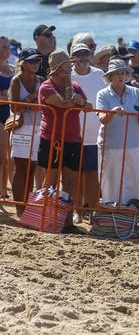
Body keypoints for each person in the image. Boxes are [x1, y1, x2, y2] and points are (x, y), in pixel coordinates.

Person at [37, 51, 90, 233]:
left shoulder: (74, 85)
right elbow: (63, 104)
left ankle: (67, 223)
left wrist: (80, 102)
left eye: (69, 65)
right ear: (57, 70)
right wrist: (78, 102)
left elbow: (87, 106)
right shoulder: (46, 86)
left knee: (70, 183)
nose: (70, 68)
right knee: (50, 182)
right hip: (51, 138)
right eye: (66, 66)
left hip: (72, 138)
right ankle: (48, 219)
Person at [96, 59, 139, 206]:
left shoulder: (136, 92)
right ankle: (110, 212)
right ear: (110, 76)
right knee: (109, 180)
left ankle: (130, 215)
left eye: (124, 73)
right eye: (117, 73)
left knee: (132, 180)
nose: (121, 76)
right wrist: (112, 112)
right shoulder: (103, 94)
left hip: (133, 143)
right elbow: (103, 120)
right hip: (110, 144)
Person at [70, 42, 105, 223]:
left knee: (92, 175)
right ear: (72, 57)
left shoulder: (100, 75)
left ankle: (92, 211)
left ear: (91, 55)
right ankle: (77, 210)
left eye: (85, 53)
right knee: (74, 175)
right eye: (78, 53)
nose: (83, 57)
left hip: (95, 135)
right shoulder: (67, 76)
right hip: (72, 135)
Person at [8, 48, 44, 215]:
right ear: (22, 63)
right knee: (21, 168)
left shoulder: (41, 80)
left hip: (37, 127)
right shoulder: (16, 80)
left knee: (32, 169)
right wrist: (32, 98)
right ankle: (19, 209)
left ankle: (26, 207)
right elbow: (14, 107)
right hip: (21, 128)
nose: (36, 64)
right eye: (31, 61)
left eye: (37, 61)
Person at [0, 36, 16, 199]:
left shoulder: (12, 69)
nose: (8, 50)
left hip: (13, 115)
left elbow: (13, 96)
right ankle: (3, 190)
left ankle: (8, 188)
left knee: (12, 157)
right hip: (2, 116)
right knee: (2, 157)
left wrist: (7, 97)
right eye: (4, 47)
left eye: (9, 47)